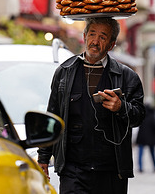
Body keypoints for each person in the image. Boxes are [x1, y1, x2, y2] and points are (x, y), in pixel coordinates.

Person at [37, 17, 146, 194]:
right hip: (73, 170)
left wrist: (121, 107)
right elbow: (53, 115)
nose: (95, 41)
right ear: (84, 36)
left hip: (111, 171)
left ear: (111, 44)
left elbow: (139, 116)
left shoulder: (127, 77)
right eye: (92, 34)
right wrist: (43, 156)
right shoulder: (64, 72)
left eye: (103, 37)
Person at [136, 104, 155, 173]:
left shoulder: (142, 116)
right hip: (150, 137)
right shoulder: (152, 117)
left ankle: (140, 167)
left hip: (142, 137)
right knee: (152, 152)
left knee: (140, 153)